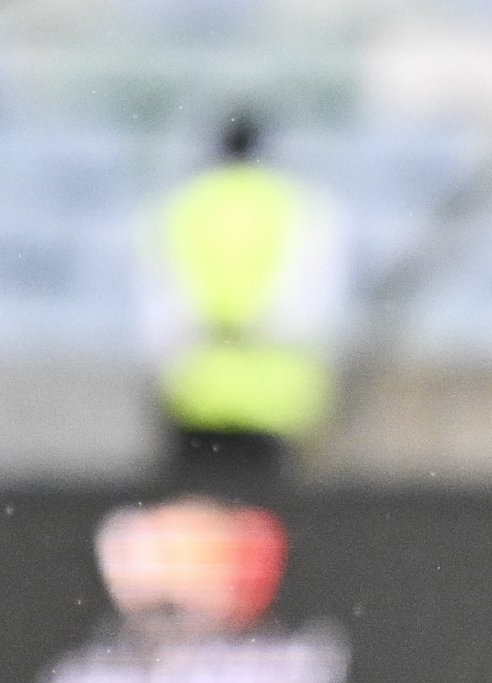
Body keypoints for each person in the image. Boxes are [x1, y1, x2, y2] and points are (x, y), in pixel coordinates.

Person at [138, 111, 347, 484]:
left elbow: (162, 306)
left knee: (202, 525)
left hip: (195, 391)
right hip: (277, 398)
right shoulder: (298, 205)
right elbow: (311, 305)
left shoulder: (183, 207)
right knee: (269, 526)